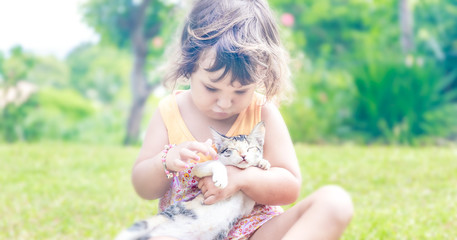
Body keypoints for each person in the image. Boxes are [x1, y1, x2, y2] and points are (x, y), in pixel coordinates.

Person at [131, 0, 354, 239]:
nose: (225, 103)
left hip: (256, 231)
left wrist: (241, 179)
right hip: (194, 231)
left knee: (335, 202)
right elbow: (143, 186)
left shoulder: (262, 112)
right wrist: (165, 161)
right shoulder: (171, 111)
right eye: (211, 88)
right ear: (189, 64)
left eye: (240, 91)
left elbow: (289, 187)